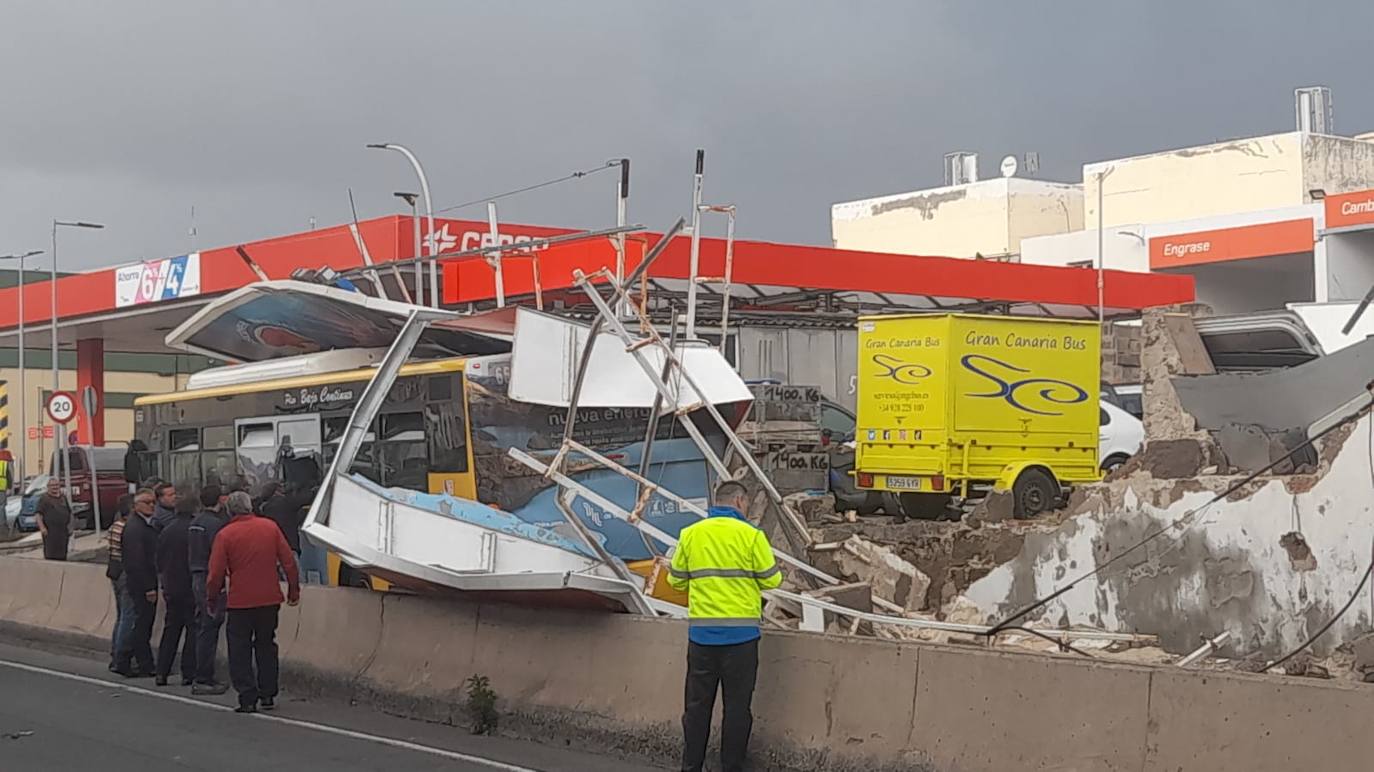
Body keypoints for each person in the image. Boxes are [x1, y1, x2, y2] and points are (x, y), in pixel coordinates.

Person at [667, 480, 783, 772]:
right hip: (741, 639)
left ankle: (691, 766)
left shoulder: (690, 534)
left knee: (696, 708)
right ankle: (731, 766)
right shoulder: (751, 536)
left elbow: (675, 580)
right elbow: (773, 580)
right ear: (740, 502)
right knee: (736, 709)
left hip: (702, 638)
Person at [207, 490, 300, 714]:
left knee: (240, 649)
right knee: (266, 644)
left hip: (240, 601)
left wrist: (212, 598)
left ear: (230, 510)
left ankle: (247, 696)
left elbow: (215, 573)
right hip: (269, 597)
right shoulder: (270, 527)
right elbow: (289, 562)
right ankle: (268, 692)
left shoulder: (225, 535)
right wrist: (293, 590)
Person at [188, 483, 230, 694]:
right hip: (210, 577)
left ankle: (200, 673)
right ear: (220, 500)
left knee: (203, 626)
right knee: (210, 627)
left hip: (196, 576)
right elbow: (219, 556)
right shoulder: (216, 525)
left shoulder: (195, 522)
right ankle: (204, 677)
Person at [115, 488, 159, 678]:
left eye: (153, 502)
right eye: (147, 502)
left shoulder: (146, 525)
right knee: (139, 624)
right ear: (136, 505)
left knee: (143, 625)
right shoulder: (135, 528)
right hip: (140, 584)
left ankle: (141, 662)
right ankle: (130, 662)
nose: (151, 506)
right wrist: (148, 587)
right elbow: (136, 561)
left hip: (145, 581)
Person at [154, 492, 196, 687]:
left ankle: (161, 671)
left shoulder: (167, 530)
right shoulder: (194, 530)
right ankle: (188, 673)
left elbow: (159, 560)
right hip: (190, 586)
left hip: (172, 587)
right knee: (192, 631)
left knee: (171, 631)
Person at [105, 495, 134, 672]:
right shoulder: (127, 530)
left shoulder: (114, 527)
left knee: (120, 615)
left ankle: (115, 652)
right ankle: (122, 656)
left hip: (114, 572)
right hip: (125, 574)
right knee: (127, 616)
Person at [36, 477, 72, 561]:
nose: (55, 487)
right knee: (51, 555)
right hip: (50, 532)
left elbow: (70, 513)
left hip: (63, 532)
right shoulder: (44, 499)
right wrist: (42, 528)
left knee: (62, 555)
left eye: (56, 485)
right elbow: (38, 515)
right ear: (48, 487)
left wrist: (71, 527)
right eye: (52, 485)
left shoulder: (63, 498)